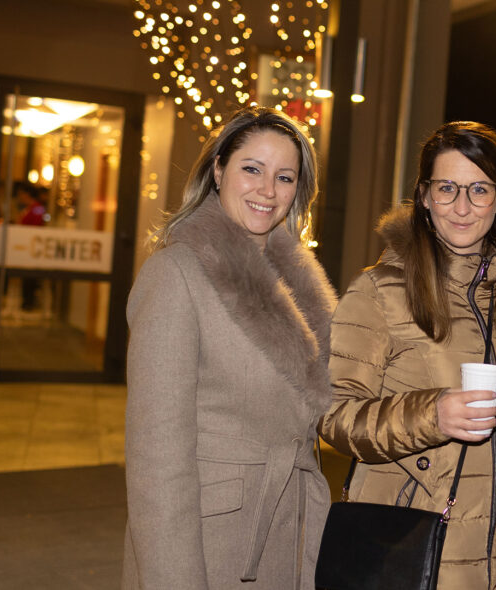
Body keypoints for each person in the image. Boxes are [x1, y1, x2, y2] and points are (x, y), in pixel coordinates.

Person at [320, 121, 496, 590]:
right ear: (423, 197)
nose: (462, 207)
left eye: (479, 189)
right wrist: (431, 416)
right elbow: (333, 414)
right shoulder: (380, 291)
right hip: (410, 551)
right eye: (446, 188)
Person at [122, 106, 336, 589]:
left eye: (284, 177)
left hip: (291, 532)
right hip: (209, 545)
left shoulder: (298, 286)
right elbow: (156, 461)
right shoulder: (176, 275)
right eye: (252, 169)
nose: (267, 190)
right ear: (218, 170)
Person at [13, 182, 47, 310]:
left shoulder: (37, 208)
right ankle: (26, 301)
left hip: (32, 247)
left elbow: (36, 227)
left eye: (21, 194)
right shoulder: (26, 209)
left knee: (30, 277)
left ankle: (29, 302)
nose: (19, 197)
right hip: (25, 246)